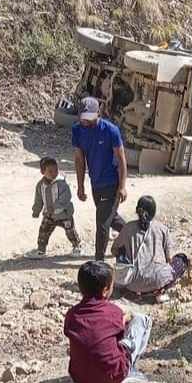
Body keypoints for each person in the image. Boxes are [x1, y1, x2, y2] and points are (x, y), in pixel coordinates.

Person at [64, 261, 153, 383]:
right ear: (105, 290)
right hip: (114, 374)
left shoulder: (72, 314)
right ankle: (129, 369)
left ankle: (94, 374)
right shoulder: (113, 311)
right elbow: (119, 332)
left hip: (79, 378)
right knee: (141, 319)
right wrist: (125, 318)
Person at [72, 96, 128, 261]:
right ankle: (139, 233)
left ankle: (99, 262)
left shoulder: (111, 130)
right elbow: (79, 160)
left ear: (98, 112)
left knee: (102, 224)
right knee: (111, 218)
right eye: (83, 117)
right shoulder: (77, 130)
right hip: (95, 183)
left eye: (89, 117)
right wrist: (80, 186)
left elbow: (122, 159)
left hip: (112, 183)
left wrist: (122, 186)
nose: (86, 121)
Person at [111, 196, 189, 303]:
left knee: (120, 251)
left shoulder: (128, 228)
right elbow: (169, 258)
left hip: (131, 284)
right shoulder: (162, 229)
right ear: (154, 212)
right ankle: (160, 292)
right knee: (182, 259)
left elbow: (114, 250)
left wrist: (124, 255)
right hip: (157, 282)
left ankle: (128, 291)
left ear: (137, 210)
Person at [27, 157, 83, 259]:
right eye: (50, 171)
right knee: (43, 231)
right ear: (42, 172)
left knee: (70, 231)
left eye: (56, 170)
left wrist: (56, 206)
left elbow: (66, 197)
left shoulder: (62, 183)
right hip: (49, 214)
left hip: (64, 213)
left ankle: (77, 246)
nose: (54, 173)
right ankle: (41, 250)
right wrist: (36, 210)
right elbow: (38, 199)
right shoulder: (40, 185)